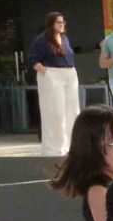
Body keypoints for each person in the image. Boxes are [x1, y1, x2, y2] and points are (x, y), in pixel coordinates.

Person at [27, 12, 79, 158]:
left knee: (72, 111)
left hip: (69, 73)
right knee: (55, 112)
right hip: (52, 73)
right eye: (59, 22)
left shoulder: (64, 38)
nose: (62, 25)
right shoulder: (41, 40)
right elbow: (32, 59)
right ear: (51, 24)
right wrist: (46, 72)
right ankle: (54, 148)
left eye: (63, 22)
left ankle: (70, 146)